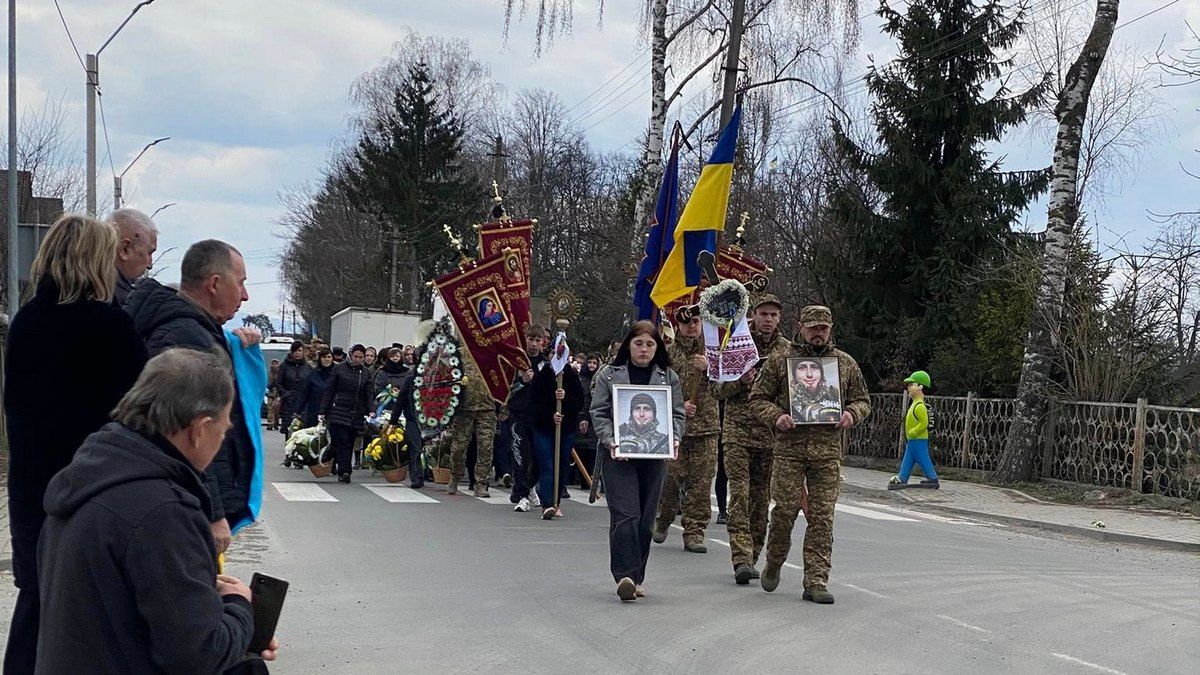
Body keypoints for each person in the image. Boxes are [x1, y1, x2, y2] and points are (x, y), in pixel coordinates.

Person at [37, 349, 279, 672]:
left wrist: (209, 600)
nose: (222, 440)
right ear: (199, 430)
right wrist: (240, 606)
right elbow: (199, 656)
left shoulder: (87, 476)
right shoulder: (163, 510)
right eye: (223, 430)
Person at [2, 213, 148, 673]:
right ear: (96, 260)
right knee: (90, 614)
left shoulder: (25, 323)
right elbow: (140, 413)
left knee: (37, 602)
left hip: (30, 487)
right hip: (92, 490)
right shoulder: (110, 327)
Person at [125, 239, 261, 556]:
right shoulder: (185, 337)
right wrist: (213, 513)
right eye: (240, 283)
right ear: (214, 284)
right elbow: (189, 434)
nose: (245, 295)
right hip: (188, 504)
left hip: (185, 499)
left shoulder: (195, 329)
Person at [749, 305, 870, 605]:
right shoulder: (781, 361)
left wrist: (851, 414)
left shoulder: (844, 364)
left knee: (822, 518)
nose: (818, 333)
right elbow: (757, 398)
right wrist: (776, 416)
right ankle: (775, 559)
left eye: (823, 329)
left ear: (830, 329)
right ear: (801, 326)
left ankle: (816, 580)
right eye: (812, 327)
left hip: (827, 453)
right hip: (790, 449)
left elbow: (863, 400)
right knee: (784, 513)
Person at [590, 321, 685, 602]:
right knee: (626, 515)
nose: (644, 349)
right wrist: (612, 440)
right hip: (619, 456)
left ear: (657, 348)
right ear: (628, 345)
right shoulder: (610, 375)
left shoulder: (668, 378)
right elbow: (599, 412)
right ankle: (625, 576)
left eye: (650, 344)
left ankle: (637, 575)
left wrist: (675, 438)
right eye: (638, 343)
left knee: (645, 521)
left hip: (654, 457)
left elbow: (677, 415)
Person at [714, 294, 790, 585]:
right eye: (763, 313)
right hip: (737, 432)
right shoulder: (735, 343)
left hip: (770, 435)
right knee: (740, 495)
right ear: (753, 315)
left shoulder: (787, 351)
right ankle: (741, 557)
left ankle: (755, 552)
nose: (768, 319)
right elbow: (715, 390)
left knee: (761, 501)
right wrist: (738, 381)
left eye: (773, 314)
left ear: (779, 318)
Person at [652, 314, 718, 553]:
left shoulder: (712, 354)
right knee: (671, 480)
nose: (692, 327)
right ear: (677, 325)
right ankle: (664, 517)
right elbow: (654, 390)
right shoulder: (666, 354)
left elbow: (727, 388)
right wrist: (677, 405)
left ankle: (695, 532)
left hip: (706, 428)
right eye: (686, 322)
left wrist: (710, 370)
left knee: (701, 485)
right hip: (674, 428)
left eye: (696, 322)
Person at [528, 355, 585, 519]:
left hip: (565, 429)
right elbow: (533, 404)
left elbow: (579, 403)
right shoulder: (542, 375)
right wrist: (549, 416)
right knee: (547, 465)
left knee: (561, 466)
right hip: (544, 429)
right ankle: (547, 504)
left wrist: (565, 398)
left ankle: (556, 501)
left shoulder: (572, 376)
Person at [509, 324, 549, 511]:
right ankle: (522, 494)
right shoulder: (516, 363)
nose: (534, 344)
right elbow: (505, 389)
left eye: (537, 340)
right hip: (519, 414)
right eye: (531, 340)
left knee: (539, 456)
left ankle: (530, 485)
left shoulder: (546, 365)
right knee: (520, 455)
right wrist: (521, 381)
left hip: (539, 417)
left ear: (543, 343)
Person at [319, 344, 373, 483]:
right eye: (356, 356)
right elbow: (329, 390)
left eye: (361, 357)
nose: (358, 359)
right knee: (343, 441)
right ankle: (345, 471)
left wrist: (371, 409)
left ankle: (332, 453)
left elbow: (368, 394)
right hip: (338, 410)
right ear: (350, 355)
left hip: (356, 413)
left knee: (349, 441)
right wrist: (323, 411)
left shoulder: (366, 373)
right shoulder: (339, 369)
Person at [446, 357, 497, 497]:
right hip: (464, 409)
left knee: (486, 447)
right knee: (458, 447)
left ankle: (481, 483)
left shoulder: (490, 353)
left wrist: (504, 407)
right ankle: (455, 474)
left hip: (487, 408)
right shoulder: (459, 354)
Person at [889, 370, 940, 489]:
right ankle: (902, 478)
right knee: (909, 458)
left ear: (920, 387)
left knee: (922, 457)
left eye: (912, 384)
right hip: (912, 439)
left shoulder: (920, 406)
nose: (909, 387)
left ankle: (932, 477)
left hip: (918, 438)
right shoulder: (915, 404)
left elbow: (924, 423)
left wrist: (915, 431)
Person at [110, 208, 158, 306]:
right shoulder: (126, 306)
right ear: (125, 249)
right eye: (149, 253)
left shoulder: (79, 291)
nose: (150, 265)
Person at [276, 341, 312, 440]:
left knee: (302, 433)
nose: (297, 353)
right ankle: (289, 455)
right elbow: (278, 382)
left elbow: (311, 384)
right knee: (290, 432)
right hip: (289, 404)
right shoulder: (284, 366)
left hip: (304, 404)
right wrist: (286, 394)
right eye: (295, 351)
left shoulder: (308, 367)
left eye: (300, 350)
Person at [789, 357, 842, 423]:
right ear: (794, 375)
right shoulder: (789, 399)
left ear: (821, 373)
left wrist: (851, 413)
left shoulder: (833, 394)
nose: (809, 374)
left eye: (814, 367)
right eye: (802, 368)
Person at [293, 347, 335, 429]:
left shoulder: (337, 374)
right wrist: (297, 410)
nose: (326, 359)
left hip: (333, 413)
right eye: (323, 357)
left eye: (328, 357)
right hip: (315, 411)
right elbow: (304, 393)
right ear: (320, 359)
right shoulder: (313, 374)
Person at [266, 359, 281, 430]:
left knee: (276, 409)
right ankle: (270, 424)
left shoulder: (280, 373)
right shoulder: (269, 373)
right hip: (270, 392)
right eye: (273, 363)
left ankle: (276, 424)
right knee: (270, 408)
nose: (274, 365)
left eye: (276, 363)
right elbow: (267, 383)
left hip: (278, 392)